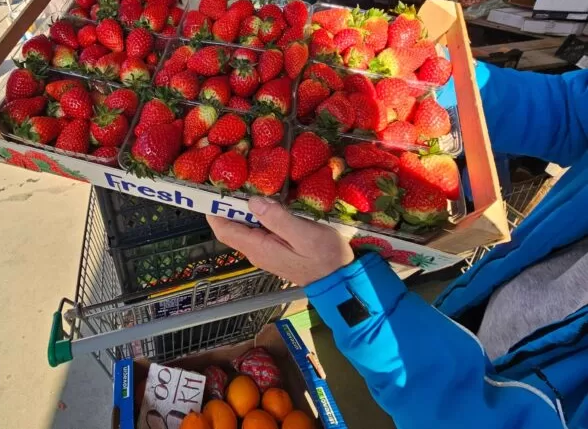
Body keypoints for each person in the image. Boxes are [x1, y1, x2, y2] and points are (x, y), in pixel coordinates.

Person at [209, 64, 588, 429]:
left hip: (443, 389)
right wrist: (438, 77)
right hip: (468, 315)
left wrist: (345, 290)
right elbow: (572, 112)